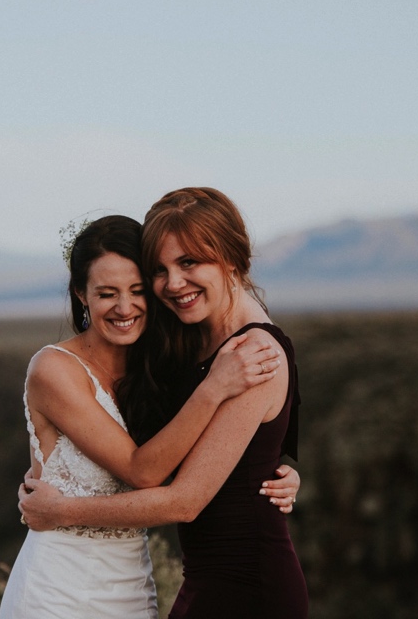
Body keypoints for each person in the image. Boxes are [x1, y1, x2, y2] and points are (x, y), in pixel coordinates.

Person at [19, 188, 308, 618]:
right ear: (81, 293)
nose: (173, 283)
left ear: (232, 258)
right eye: (161, 269)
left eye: (189, 262)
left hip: (247, 584)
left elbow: (185, 499)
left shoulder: (253, 352)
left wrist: (60, 510)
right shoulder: (188, 343)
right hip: (201, 579)